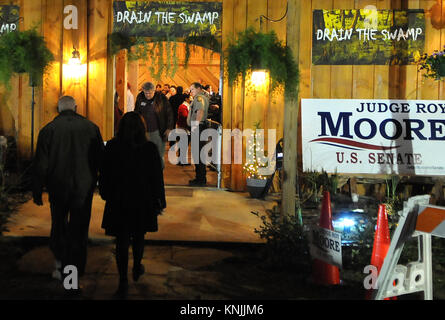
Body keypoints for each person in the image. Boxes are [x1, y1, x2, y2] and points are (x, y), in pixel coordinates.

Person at [32, 95, 104, 283]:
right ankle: (74, 274)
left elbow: (41, 163)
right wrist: (102, 185)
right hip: (83, 186)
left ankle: (59, 264)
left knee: (59, 224)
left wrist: (37, 189)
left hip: (58, 186)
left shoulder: (48, 130)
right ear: (76, 108)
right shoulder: (91, 128)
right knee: (79, 229)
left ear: (58, 109)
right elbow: (100, 161)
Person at [99, 112, 165, 298]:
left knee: (121, 239)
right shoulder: (149, 148)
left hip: (118, 199)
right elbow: (156, 178)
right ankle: (136, 265)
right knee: (138, 235)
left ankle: (122, 279)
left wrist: (105, 192)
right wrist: (159, 199)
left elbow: (104, 172)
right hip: (142, 199)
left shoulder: (112, 147)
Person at [135, 82, 174, 168]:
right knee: (144, 155)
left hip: (158, 131)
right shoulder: (140, 97)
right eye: (146, 93)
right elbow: (136, 113)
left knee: (159, 155)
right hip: (144, 132)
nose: (148, 95)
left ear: (154, 91)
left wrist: (169, 128)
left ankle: (159, 175)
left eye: (150, 93)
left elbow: (169, 113)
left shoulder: (161, 98)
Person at [187, 82, 209, 186]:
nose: (190, 92)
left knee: (198, 154)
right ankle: (199, 178)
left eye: (192, 89)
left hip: (198, 127)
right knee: (197, 153)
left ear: (199, 88)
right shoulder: (199, 97)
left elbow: (200, 111)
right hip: (199, 127)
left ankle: (200, 179)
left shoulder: (199, 98)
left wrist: (195, 126)